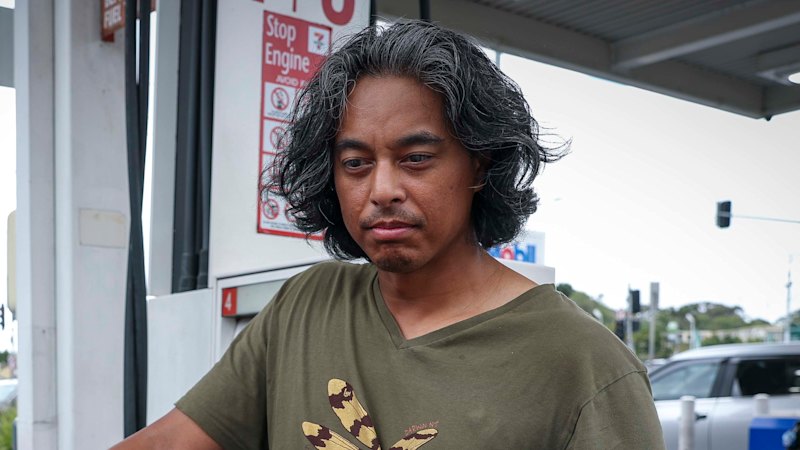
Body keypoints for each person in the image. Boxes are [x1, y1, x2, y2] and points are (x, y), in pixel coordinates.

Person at [114, 20, 664, 449]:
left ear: (479, 163)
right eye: (355, 163)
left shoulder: (584, 364)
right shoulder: (306, 306)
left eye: (416, 158)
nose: (381, 190)